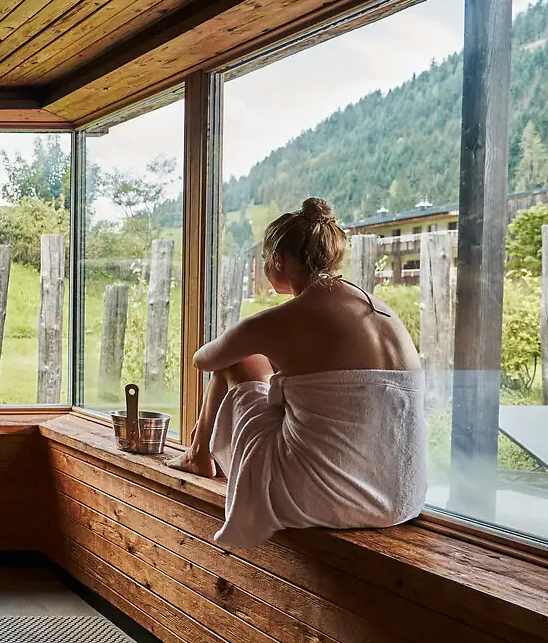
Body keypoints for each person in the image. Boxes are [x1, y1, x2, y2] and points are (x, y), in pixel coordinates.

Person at [170, 198, 427, 548]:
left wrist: (255, 343)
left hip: (323, 498)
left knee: (238, 361)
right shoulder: (379, 309)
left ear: (278, 260)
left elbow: (204, 360)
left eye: (264, 259)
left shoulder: (287, 318)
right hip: (401, 498)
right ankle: (199, 452)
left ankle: (198, 454)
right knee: (275, 374)